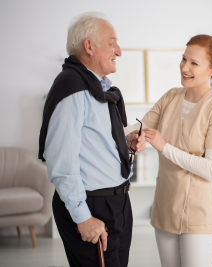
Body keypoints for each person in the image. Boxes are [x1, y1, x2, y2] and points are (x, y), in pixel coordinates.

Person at [38, 12, 145, 267]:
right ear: (89, 46)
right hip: (92, 207)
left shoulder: (95, 88)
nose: (118, 51)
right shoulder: (72, 89)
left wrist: (122, 140)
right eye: (112, 43)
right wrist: (82, 217)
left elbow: (90, 140)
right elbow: (61, 162)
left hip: (116, 203)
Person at [125, 34, 212, 267]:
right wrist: (128, 136)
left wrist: (164, 147)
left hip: (200, 214)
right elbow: (138, 127)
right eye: (184, 59)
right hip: (166, 207)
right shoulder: (171, 97)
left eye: (194, 63)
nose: (184, 67)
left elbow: (211, 169)